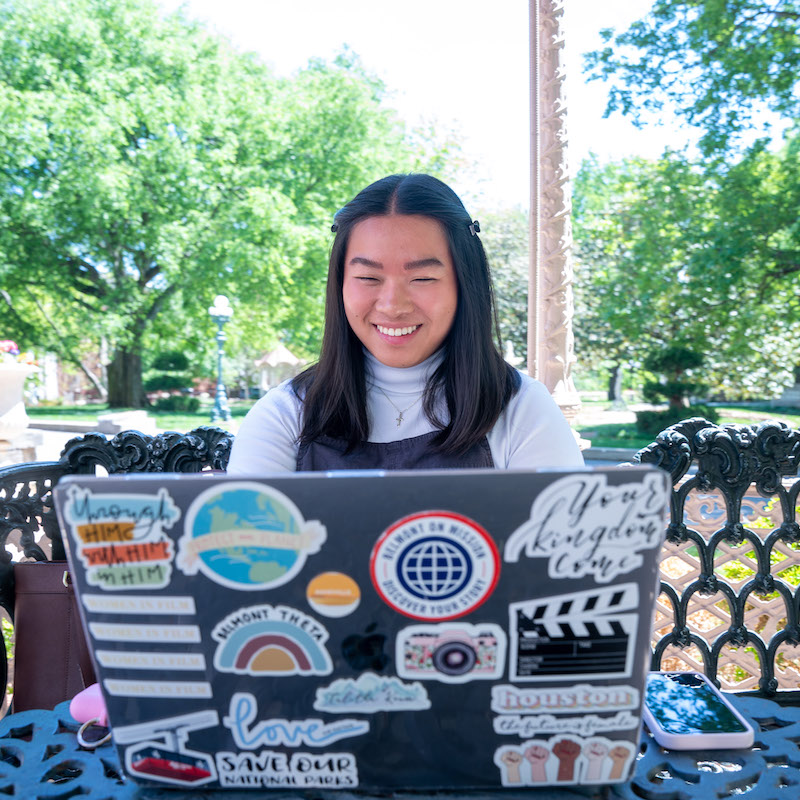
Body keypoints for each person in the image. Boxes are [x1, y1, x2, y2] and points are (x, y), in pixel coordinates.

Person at [227, 173, 583, 473]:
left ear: (464, 284)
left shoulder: (523, 409)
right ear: (340, 285)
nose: (393, 305)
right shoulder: (286, 414)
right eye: (368, 278)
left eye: (423, 279)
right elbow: (247, 553)